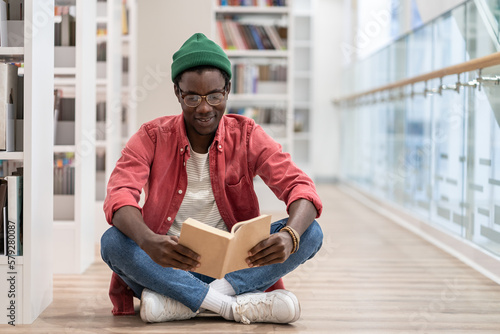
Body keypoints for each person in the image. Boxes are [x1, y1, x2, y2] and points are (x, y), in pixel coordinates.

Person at [100, 33, 323, 325]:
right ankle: (230, 306)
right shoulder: (152, 137)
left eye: (214, 96)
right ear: (178, 93)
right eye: (192, 97)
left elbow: (299, 186)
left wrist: (288, 236)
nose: (204, 108)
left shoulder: (246, 135)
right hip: (167, 266)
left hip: (236, 269)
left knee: (310, 233)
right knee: (113, 242)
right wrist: (149, 241)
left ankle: (189, 302)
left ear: (228, 90)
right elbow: (119, 195)